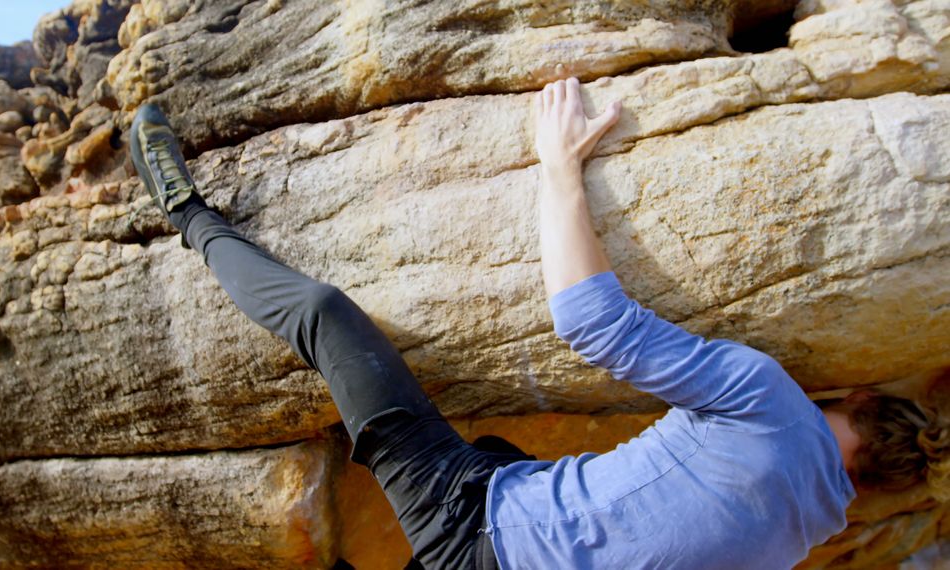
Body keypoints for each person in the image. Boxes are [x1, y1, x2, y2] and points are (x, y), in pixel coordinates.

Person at [129, 77, 947, 570]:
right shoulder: (794, 546)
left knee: (326, 317)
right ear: (870, 485)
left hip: (470, 523)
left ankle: (187, 212)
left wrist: (558, 167)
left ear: (861, 393)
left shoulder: (773, 402)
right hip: (497, 529)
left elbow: (590, 321)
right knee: (497, 455)